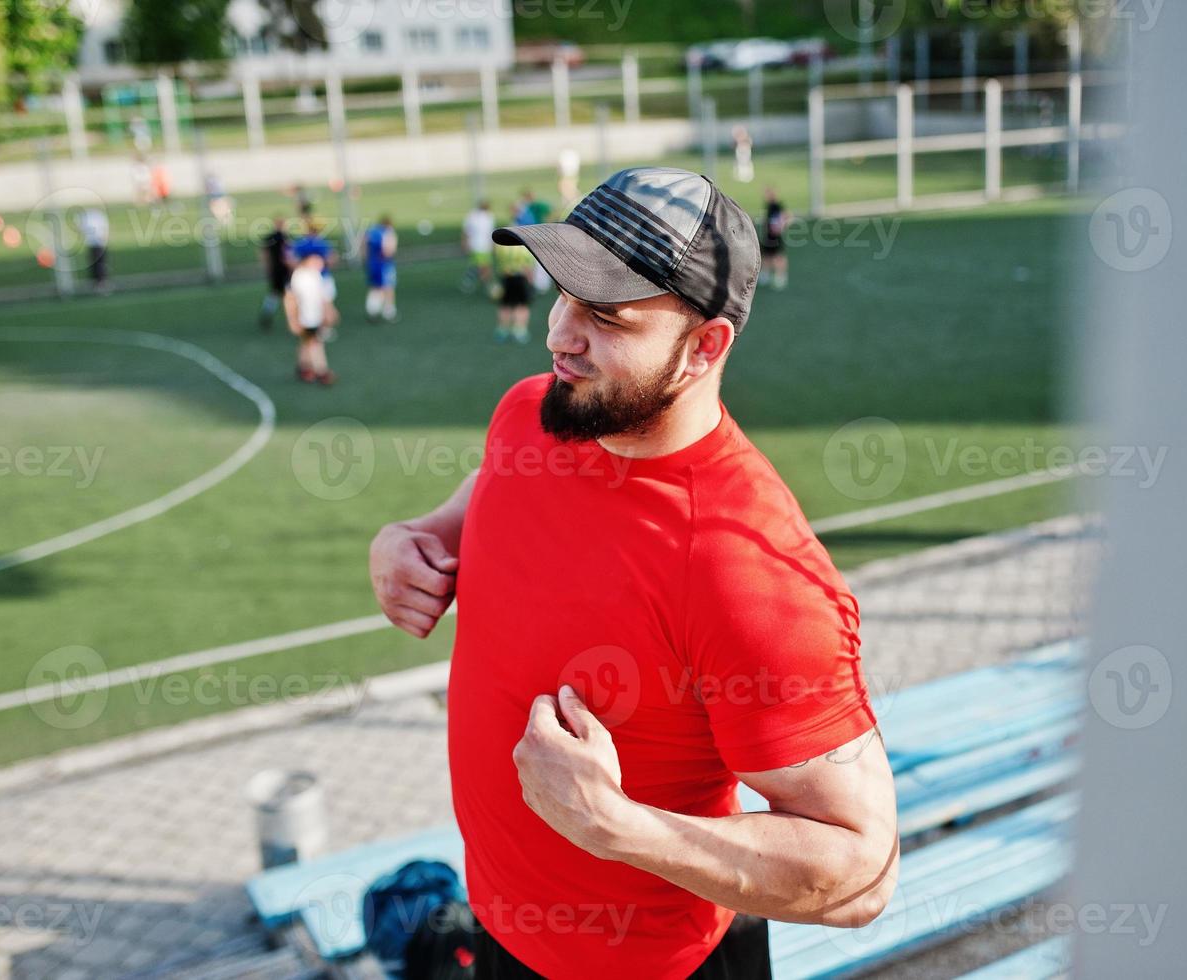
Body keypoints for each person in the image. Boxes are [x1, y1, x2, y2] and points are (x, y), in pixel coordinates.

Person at [368, 167, 896, 979]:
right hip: (502, 927)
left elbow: (860, 870)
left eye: (605, 317)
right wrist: (412, 539)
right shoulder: (534, 409)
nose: (560, 334)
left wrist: (616, 826)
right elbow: (495, 489)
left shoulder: (746, 570)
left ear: (704, 347)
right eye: (562, 295)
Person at [284, 251, 337, 384]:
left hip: (314, 316)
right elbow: (290, 299)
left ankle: (303, 367)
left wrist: (328, 311)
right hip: (305, 317)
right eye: (317, 259)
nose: (321, 263)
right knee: (315, 342)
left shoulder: (315, 274)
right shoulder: (299, 276)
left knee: (307, 342)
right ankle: (322, 371)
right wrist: (292, 319)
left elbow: (321, 296)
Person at [492, 237, 534, 343]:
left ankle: (502, 330)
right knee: (522, 306)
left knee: (505, 305)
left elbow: (498, 261)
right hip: (520, 279)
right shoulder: (524, 246)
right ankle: (520, 331)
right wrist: (531, 282)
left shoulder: (501, 246)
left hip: (506, 278)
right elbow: (528, 267)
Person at [364, 215, 399, 323]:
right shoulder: (388, 233)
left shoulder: (371, 231)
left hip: (371, 263)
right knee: (388, 287)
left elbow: (363, 245)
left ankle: (372, 309)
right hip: (384, 264)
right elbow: (388, 250)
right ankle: (388, 311)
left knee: (375, 287)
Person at [258, 216, 291, 330]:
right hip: (283, 270)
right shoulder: (284, 237)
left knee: (274, 294)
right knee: (288, 293)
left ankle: (267, 313)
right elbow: (288, 254)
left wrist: (266, 266)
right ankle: (293, 316)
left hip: (274, 270)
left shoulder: (269, 237)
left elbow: (263, 253)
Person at [76, 206, 111, 295]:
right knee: (94, 264)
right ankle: (96, 283)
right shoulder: (91, 216)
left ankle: (102, 283)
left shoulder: (97, 216)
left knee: (100, 264)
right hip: (93, 244)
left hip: (99, 243)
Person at [760, 187, 790, 290]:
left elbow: (786, 216)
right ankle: (765, 275)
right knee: (766, 255)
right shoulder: (769, 206)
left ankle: (780, 276)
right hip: (768, 235)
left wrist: (781, 227)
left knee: (778, 256)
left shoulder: (777, 206)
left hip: (775, 236)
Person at [462, 200, 495, 290]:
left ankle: (469, 281)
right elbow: (467, 231)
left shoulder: (488, 216)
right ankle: (487, 286)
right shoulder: (474, 216)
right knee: (484, 267)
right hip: (478, 246)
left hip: (484, 246)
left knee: (479, 266)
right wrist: (465, 242)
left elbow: (490, 232)